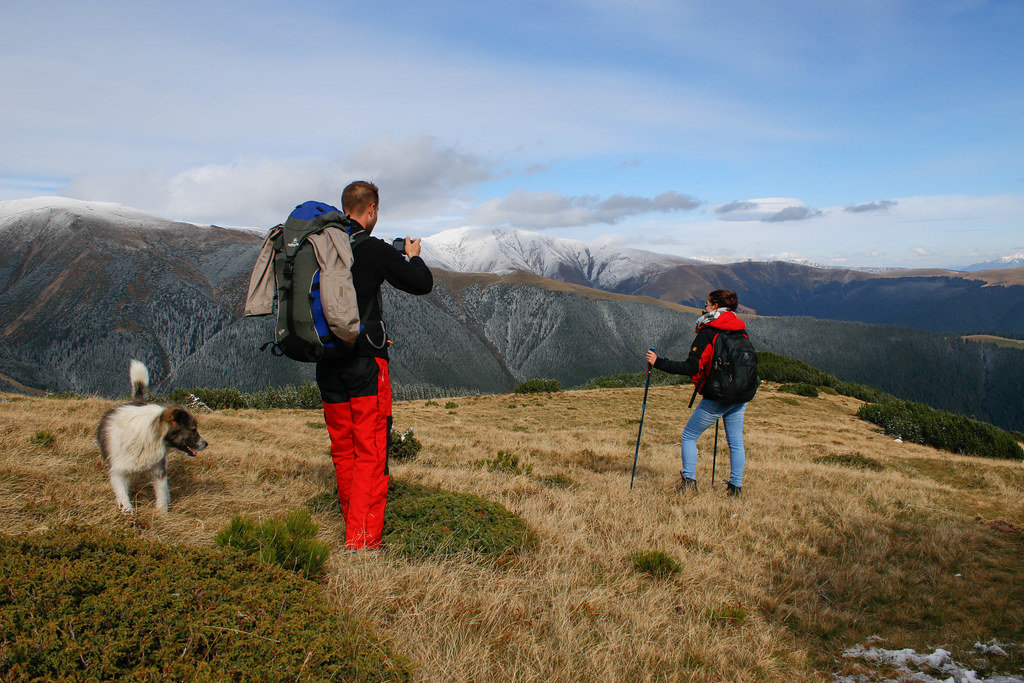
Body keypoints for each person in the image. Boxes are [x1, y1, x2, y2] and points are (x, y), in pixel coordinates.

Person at [316, 180, 433, 549]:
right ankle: (363, 540)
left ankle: (353, 522)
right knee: (371, 450)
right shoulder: (373, 249)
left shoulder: (319, 246)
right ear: (372, 211)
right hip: (365, 366)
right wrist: (412, 255)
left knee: (343, 447)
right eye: (376, 212)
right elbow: (421, 283)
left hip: (325, 361)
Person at [646, 289, 749, 496]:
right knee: (736, 442)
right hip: (740, 394)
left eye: (708, 304)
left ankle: (688, 482)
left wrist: (658, 362)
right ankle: (736, 487)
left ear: (715, 307)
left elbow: (691, 368)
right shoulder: (740, 329)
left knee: (689, 435)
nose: (704, 307)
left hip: (718, 396)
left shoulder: (709, 332)